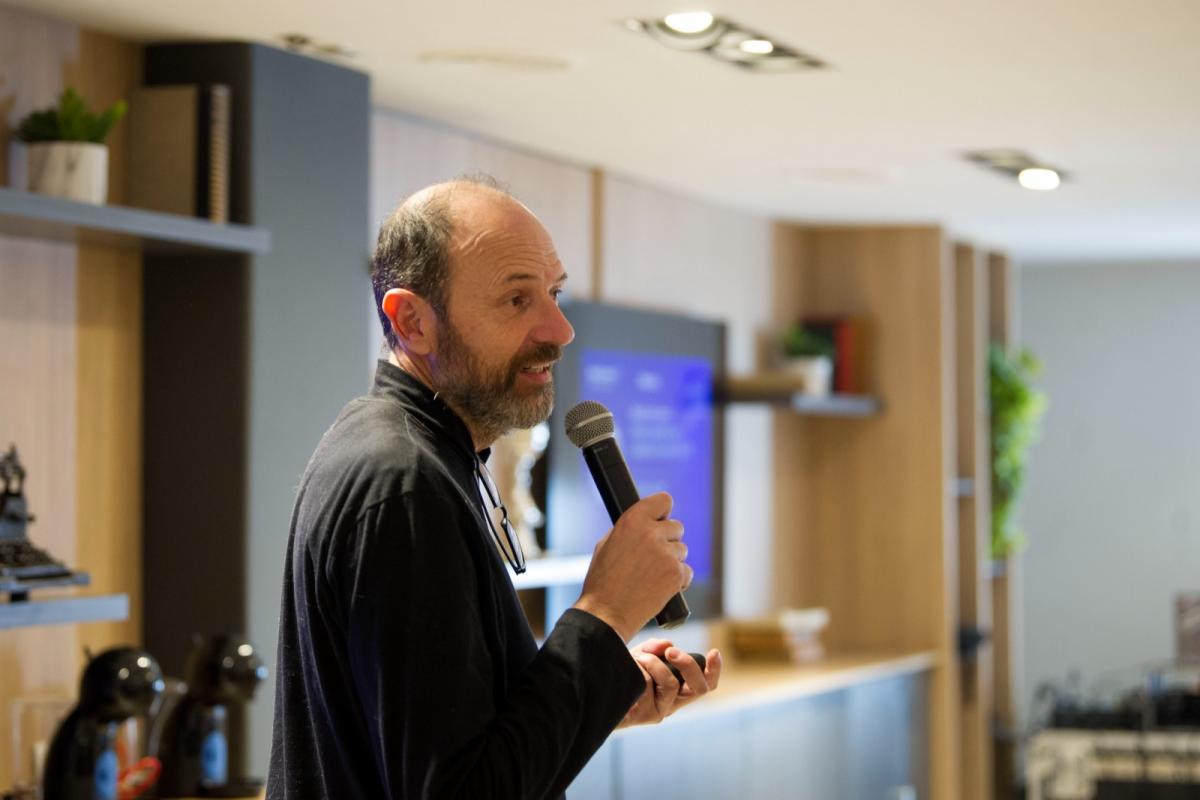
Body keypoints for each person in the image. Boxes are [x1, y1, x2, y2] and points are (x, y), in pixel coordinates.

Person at [267, 176, 722, 799]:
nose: (560, 330)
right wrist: (607, 613)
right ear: (412, 322)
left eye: (554, 294)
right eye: (516, 300)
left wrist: (593, 690)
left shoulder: (413, 454)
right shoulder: (403, 484)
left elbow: (456, 742)